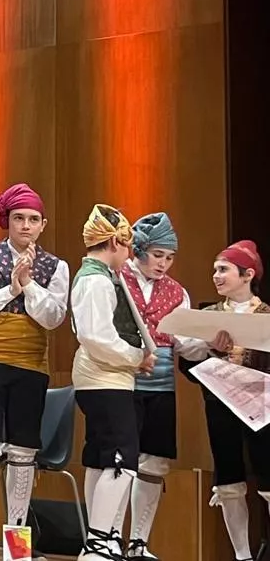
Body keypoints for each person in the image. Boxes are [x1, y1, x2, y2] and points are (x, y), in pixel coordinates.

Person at [0, 183, 70, 556]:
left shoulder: (56, 266)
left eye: (33, 219)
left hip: (30, 364)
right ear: (8, 221)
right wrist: (10, 290)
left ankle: (15, 534)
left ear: (43, 224)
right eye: (18, 218)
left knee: (23, 446)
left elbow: (53, 318)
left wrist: (30, 284)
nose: (25, 225)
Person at [175, 241, 269, 561]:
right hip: (220, 404)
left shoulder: (267, 315)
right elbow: (188, 368)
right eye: (215, 269)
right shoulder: (208, 315)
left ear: (247, 274)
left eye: (223, 269)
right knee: (228, 478)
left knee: (268, 476)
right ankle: (242, 555)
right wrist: (211, 351)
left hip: (262, 407)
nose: (215, 276)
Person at [68, 205, 152, 561]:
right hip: (104, 377)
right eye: (127, 245)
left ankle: (101, 537)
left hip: (104, 377)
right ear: (115, 242)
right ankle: (99, 539)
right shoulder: (96, 280)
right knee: (122, 459)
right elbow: (97, 337)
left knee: (102, 458)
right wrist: (137, 357)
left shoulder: (101, 276)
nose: (129, 254)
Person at [117, 212, 186, 561]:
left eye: (170, 257)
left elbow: (186, 343)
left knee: (155, 463)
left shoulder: (177, 292)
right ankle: (111, 536)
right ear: (140, 249)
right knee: (120, 460)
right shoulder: (118, 278)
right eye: (158, 255)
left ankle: (139, 541)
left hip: (161, 386)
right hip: (122, 382)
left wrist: (214, 340)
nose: (164, 264)